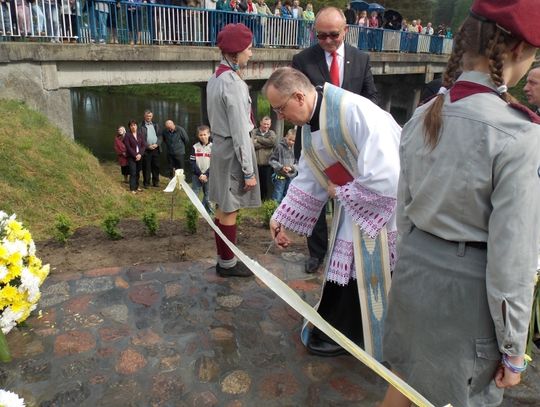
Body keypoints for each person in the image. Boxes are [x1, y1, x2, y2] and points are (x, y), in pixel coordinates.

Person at [381, 1, 540, 406]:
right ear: (519, 50)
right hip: (467, 295)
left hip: (414, 274)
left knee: (402, 384)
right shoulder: (517, 135)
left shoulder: (422, 115)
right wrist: (513, 347)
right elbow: (513, 257)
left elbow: (403, 213)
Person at [265, 67, 400, 358]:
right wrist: (281, 217)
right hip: (353, 205)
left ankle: (354, 333)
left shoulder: (353, 111)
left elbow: (387, 175)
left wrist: (340, 192)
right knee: (347, 264)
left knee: (360, 267)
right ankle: (340, 328)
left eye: (280, 108)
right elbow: (310, 174)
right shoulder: (312, 123)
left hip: (378, 209)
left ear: (299, 97)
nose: (279, 117)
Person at [291, 6, 378, 274]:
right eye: (321, 36)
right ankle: (316, 253)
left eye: (333, 35)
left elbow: (371, 98)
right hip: (316, 145)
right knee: (315, 198)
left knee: (350, 199)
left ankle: (348, 251)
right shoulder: (303, 60)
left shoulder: (360, 59)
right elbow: (298, 102)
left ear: (346, 31)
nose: (328, 41)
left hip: (350, 147)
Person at [207, 23, 261, 277]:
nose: (251, 53)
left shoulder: (215, 76)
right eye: (248, 49)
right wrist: (249, 172)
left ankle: (223, 259)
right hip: (232, 151)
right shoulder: (233, 84)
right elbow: (240, 132)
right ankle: (227, 264)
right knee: (230, 208)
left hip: (220, 147)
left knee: (222, 207)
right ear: (235, 52)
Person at [251, 116, 277, 201]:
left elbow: (272, 142)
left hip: (267, 163)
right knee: (255, 183)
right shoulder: (253, 132)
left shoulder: (272, 133)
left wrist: (258, 139)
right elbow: (251, 145)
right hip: (255, 163)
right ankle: (255, 200)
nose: (266, 126)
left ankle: (264, 200)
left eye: (268, 124)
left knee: (266, 183)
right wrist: (266, 144)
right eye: (265, 124)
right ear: (260, 123)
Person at [269, 128, 297, 203]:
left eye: (293, 141)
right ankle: (274, 211)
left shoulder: (296, 149)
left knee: (288, 196)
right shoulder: (279, 147)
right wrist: (281, 167)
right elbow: (272, 160)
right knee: (277, 195)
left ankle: (285, 212)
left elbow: (298, 163)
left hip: (291, 177)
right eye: (289, 139)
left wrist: (292, 168)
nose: (291, 142)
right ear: (286, 137)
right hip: (280, 176)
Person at [190, 125, 213, 214]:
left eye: (205, 134)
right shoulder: (195, 147)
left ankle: (209, 214)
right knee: (194, 195)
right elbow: (192, 162)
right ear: (198, 136)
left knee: (208, 196)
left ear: (209, 134)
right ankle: (193, 213)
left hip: (209, 176)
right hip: (197, 176)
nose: (203, 137)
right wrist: (200, 174)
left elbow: (215, 164)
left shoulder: (213, 147)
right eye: (201, 135)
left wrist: (206, 174)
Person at [139, 110, 161, 188]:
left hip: (156, 149)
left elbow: (160, 136)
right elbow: (140, 139)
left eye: (150, 116)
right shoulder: (141, 126)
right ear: (144, 116)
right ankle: (146, 183)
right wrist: (148, 146)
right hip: (146, 150)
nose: (149, 117)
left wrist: (157, 144)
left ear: (152, 116)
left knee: (156, 166)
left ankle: (156, 182)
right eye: (147, 116)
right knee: (146, 167)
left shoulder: (156, 124)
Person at [124, 120, 146, 194]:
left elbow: (143, 145)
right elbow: (128, 147)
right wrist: (135, 155)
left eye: (134, 125)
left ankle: (136, 186)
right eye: (131, 125)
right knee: (133, 172)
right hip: (131, 157)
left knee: (137, 172)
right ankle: (132, 188)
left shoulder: (140, 134)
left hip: (140, 156)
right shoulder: (127, 135)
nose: (133, 127)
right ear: (129, 127)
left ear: (137, 126)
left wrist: (140, 154)